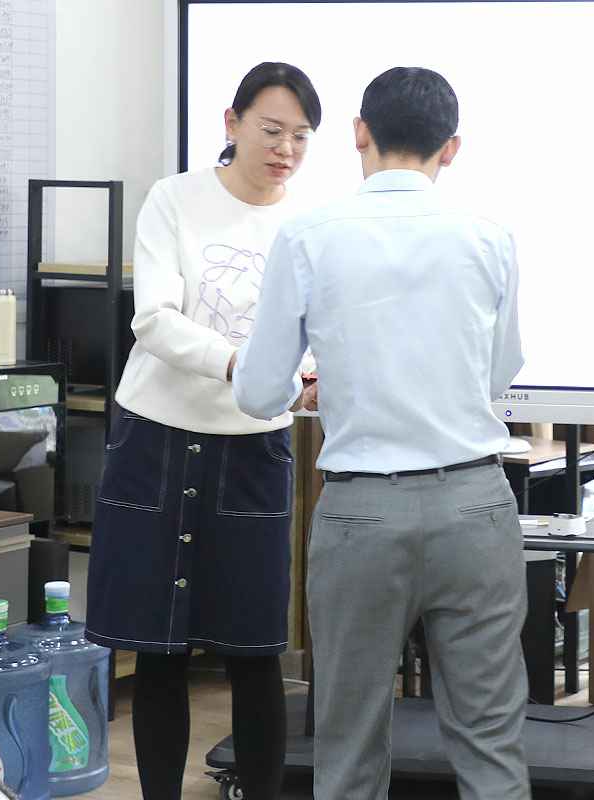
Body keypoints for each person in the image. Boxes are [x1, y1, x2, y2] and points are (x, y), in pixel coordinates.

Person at [232, 66, 530, 800]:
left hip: (362, 513)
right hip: (476, 505)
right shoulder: (490, 236)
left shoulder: (308, 235)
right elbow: (501, 373)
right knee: (491, 743)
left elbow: (260, 391)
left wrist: (316, 389)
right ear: (451, 147)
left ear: (359, 132)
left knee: (349, 743)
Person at [84, 62, 321, 800]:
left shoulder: (309, 227)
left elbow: (319, 334)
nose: (285, 149)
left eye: (301, 136)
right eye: (271, 130)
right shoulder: (175, 199)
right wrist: (245, 367)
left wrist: (314, 374)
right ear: (232, 122)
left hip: (254, 449)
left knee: (255, 651)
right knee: (159, 650)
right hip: (156, 440)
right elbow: (153, 319)